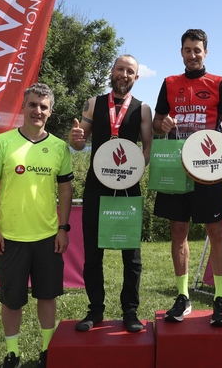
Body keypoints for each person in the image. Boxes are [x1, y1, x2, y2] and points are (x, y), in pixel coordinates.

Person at [0, 83, 74, 368]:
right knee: (12, 301)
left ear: (50, 111)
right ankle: (13, 353)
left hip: (48, 237)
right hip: (10, 237)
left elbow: (66, 190)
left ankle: (48, 351)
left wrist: (63, 228)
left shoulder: (59, 147)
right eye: (33, 105)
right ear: (23, 107)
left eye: (43, 106)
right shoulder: (2, 142)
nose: (38, 111)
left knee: (47, 297)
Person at [153, 28, 222, 326]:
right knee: (179, 232)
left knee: (215, 233)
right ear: (181, 52)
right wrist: (162, 124)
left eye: (197, 50)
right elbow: (155, 124)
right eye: (187, 50)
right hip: (176, 169)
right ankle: (183, 296)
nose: (192, 55)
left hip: (208, 167)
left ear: (205, 52)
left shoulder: (220, 83)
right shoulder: (169, 83)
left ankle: (220, 298)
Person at [69, 54, 153, 333]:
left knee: (132, 254)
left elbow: (148, 149)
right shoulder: (93, 103)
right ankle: (95, 311)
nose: (124, 74)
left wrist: (134, 170)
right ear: (112, 71)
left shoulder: (143, 109)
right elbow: (81, 143)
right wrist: (76, 140)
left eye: (130, 71)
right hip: (96, 186)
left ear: (136, 77)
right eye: (120, 69)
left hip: (129, 186)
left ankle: (130, 312)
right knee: (93, 253)